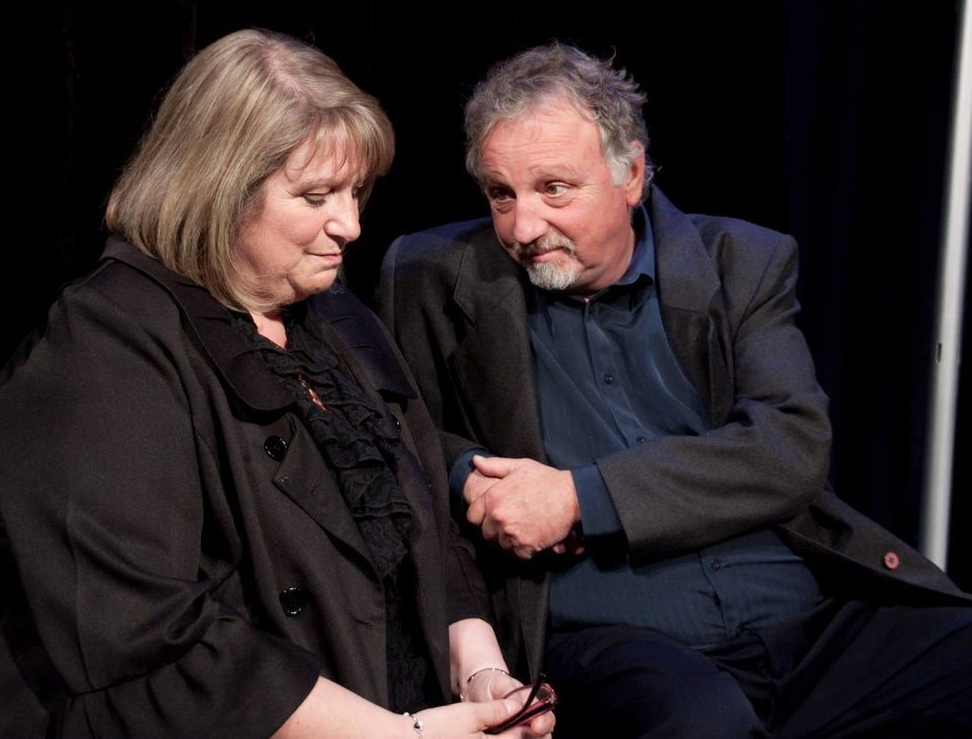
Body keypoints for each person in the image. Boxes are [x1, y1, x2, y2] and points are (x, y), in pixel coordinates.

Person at [0, 29, 557, 739]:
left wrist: (483, 678)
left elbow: (428, 534)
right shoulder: (103, 347)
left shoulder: (338, 318)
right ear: (218, 190)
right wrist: (405, 736)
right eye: (316, 196)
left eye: (355, 191)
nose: (350, 225)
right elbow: (144, 641)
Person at [378, 42, 972, 737]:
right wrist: (465, 478)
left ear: (631, 174)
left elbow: (789, 445)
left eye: (554, 189)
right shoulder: (434, 276)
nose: (523, 226)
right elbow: (393, 425)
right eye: (501, 195)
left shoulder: (739, 263)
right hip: (616, 639)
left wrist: (578, 498)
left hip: (805, 622)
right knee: (700, 720)